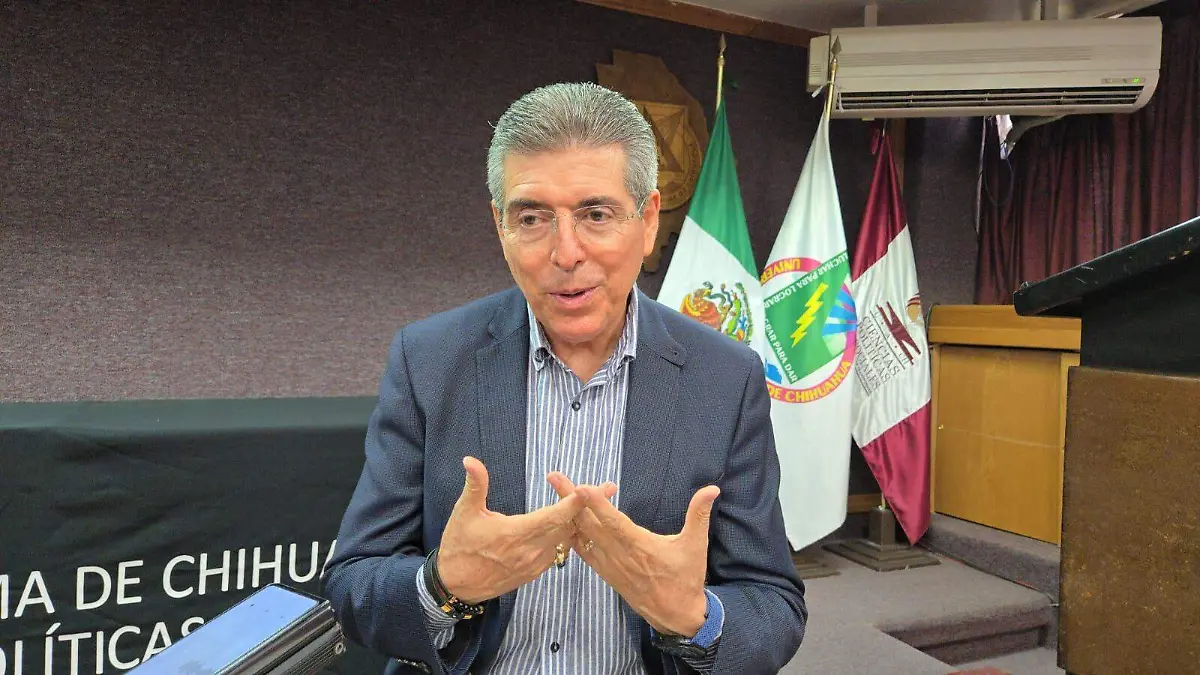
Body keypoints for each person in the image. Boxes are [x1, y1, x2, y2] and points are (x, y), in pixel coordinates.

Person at [321, 82, 806, 675]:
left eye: (596, 215)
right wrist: (441, 586)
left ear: (647, 220)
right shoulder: (428, 359)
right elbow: (353, 581)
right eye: (532, 218)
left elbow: (774, 604)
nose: (566, 253)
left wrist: (693, 617)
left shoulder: (726, 378)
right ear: (500, 227)